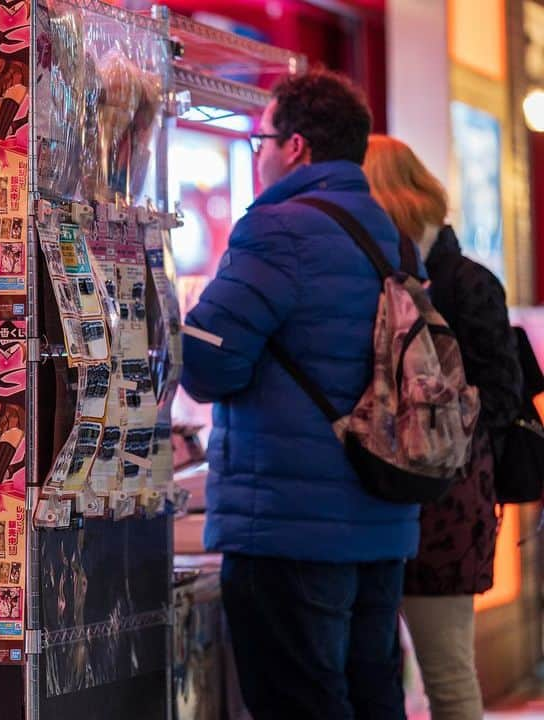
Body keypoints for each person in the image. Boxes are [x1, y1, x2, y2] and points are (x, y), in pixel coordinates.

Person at [178, 70, 418, 719]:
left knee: (300, 701)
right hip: (382, 517)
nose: (257, 154)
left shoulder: (278, 230)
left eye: (262, 139)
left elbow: (204, 364)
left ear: (297, 148)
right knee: (372, 695)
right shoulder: (393, 237)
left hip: (288, 526)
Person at [364, 135, 523, 720]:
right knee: (424, 672)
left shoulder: (454, 282)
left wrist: (430, 422)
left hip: (435, 502)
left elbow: (501, 395)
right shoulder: (455, 277)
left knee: (440, 672)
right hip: (437, 502)